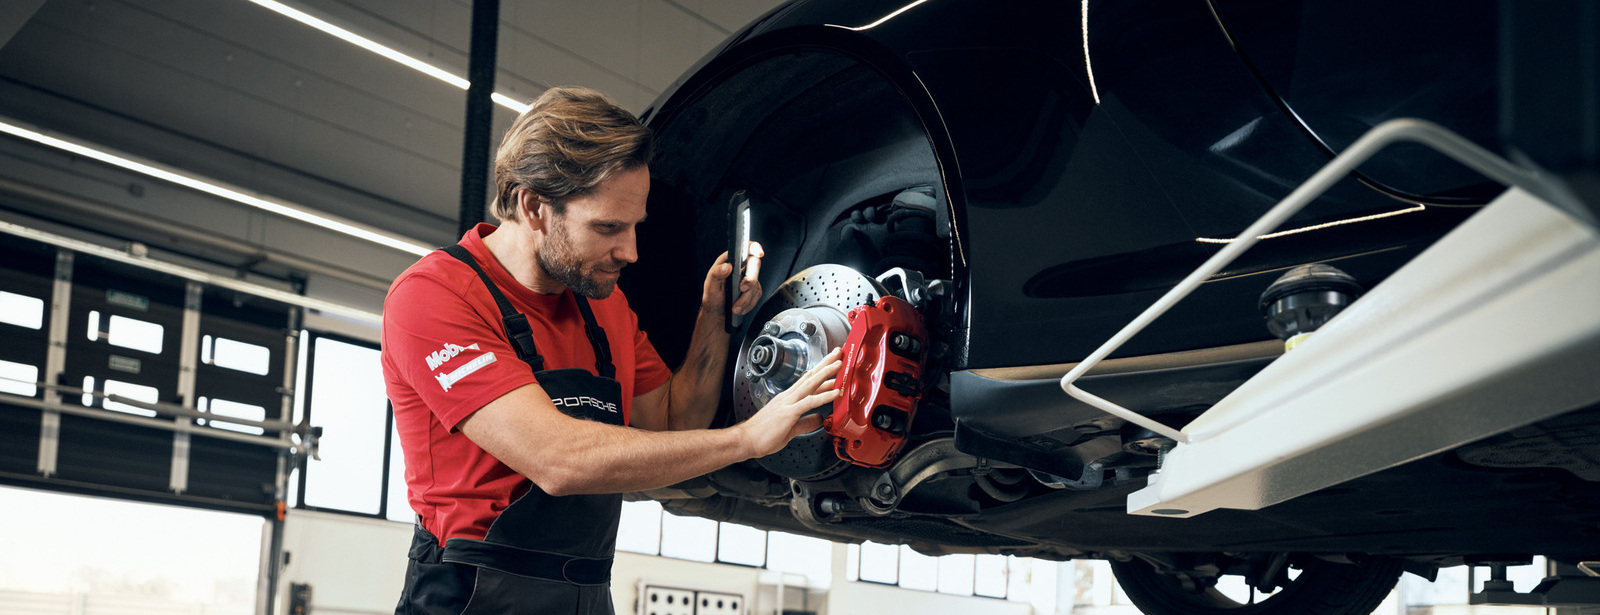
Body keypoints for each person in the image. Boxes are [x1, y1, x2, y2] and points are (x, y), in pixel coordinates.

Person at [381, 86, 841, 614]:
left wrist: (715, 318)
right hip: (474, 595)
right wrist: (747, 439)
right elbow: (556, 460)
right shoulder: (434, 297)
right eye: (607, 227)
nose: (630, 251)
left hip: (587, 592)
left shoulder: (603, 305)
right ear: (534, 206)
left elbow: (672, 424)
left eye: (634, 227)